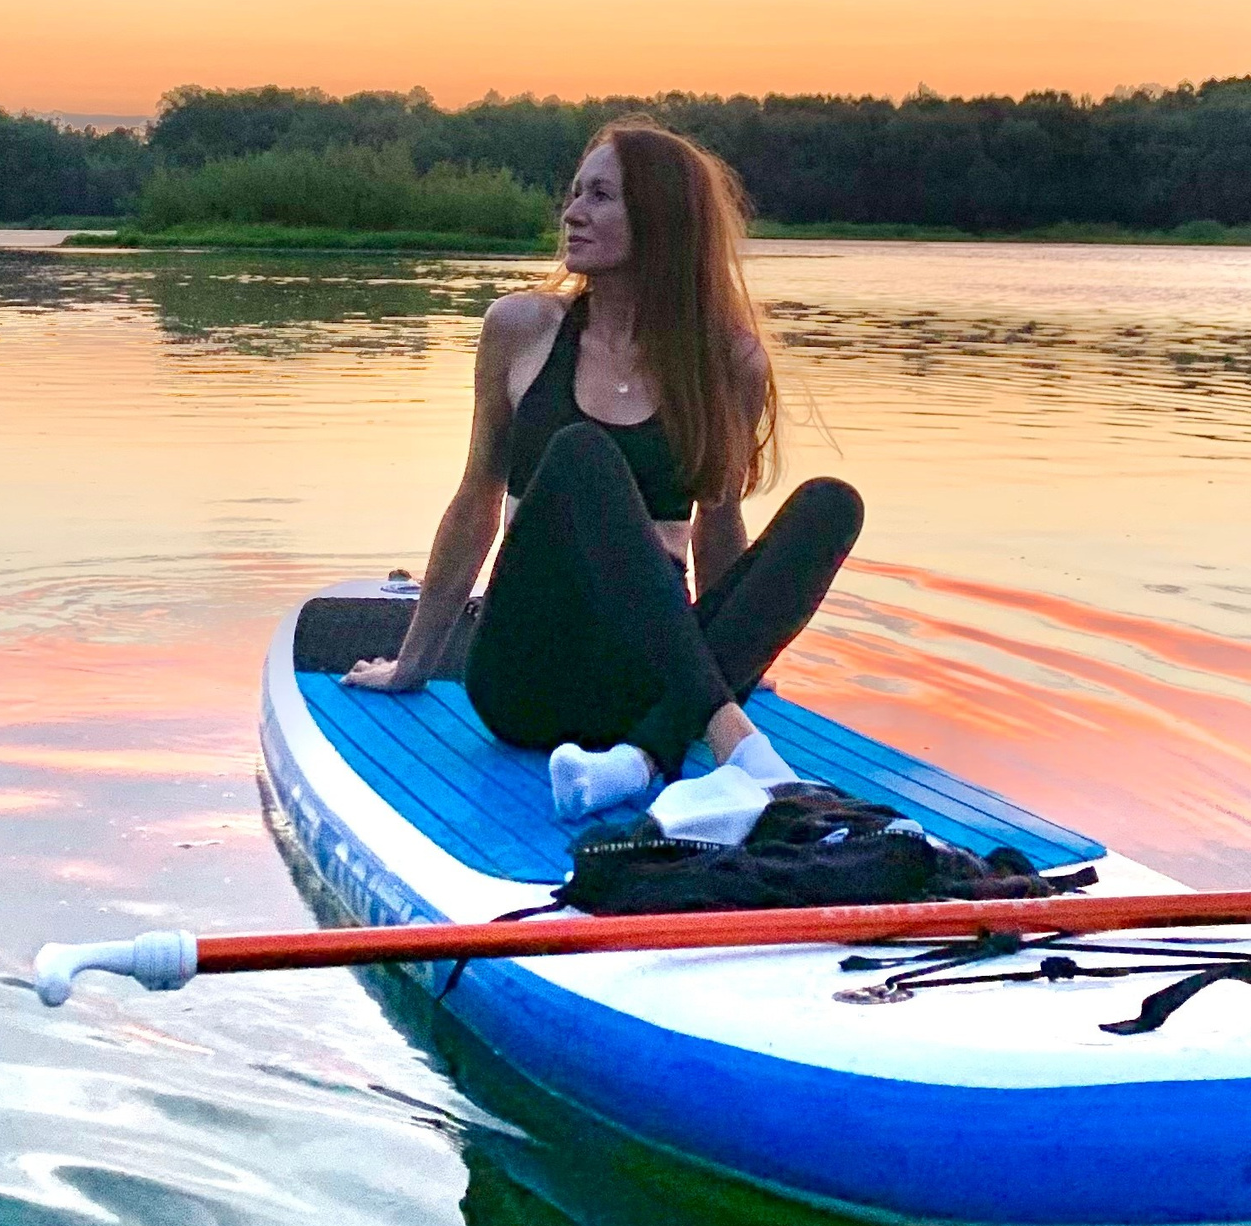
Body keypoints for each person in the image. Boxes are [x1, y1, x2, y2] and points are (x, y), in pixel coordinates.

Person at [345, 120, 863, 845]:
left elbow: (719, 523)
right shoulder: (521, 328)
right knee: (582, 454)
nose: (572, 212)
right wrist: (415, 660)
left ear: (660, 218)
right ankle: (736, 742)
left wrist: (729, 648)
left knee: (833, 505)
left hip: (647, 680)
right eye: (574, 193)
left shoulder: (728, 360)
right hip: (527, 672)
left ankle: (638, 760)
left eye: (600, 196)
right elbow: (476, 501)